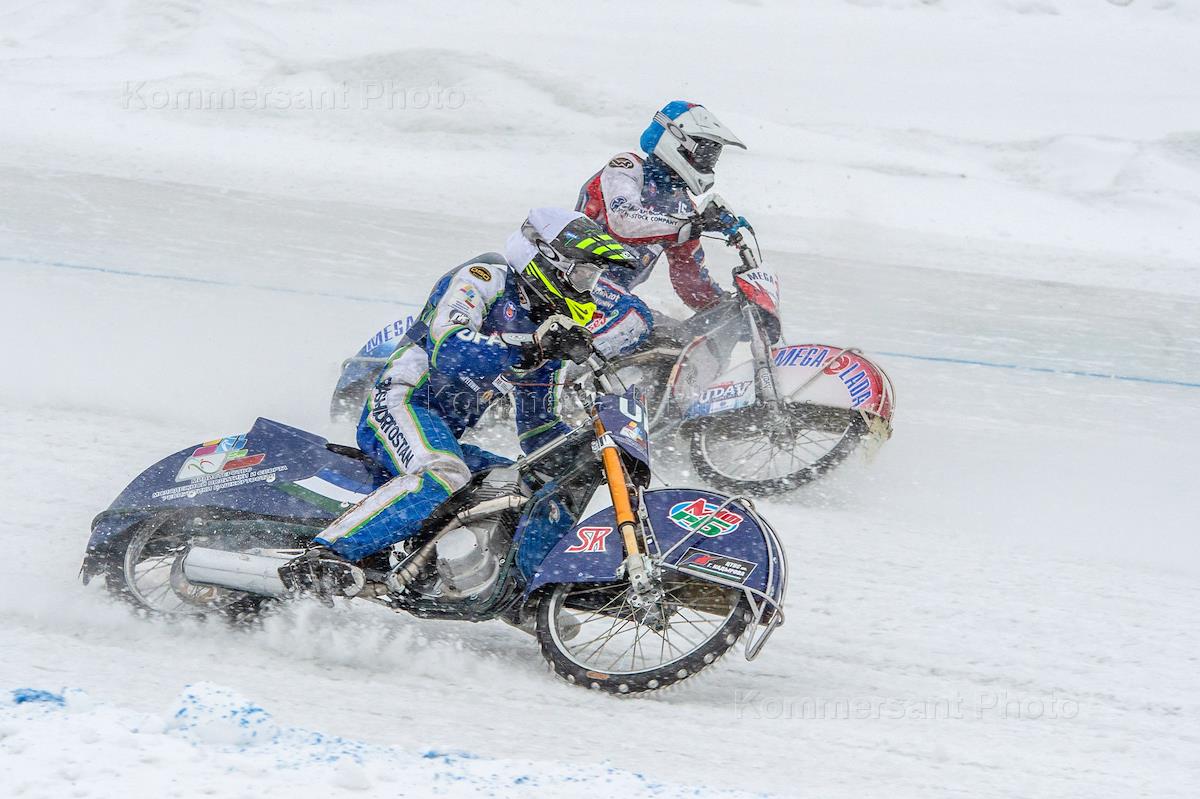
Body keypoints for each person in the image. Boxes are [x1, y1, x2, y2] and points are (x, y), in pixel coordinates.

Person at [279, 208, 635, 597]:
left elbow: (538, 427)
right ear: (547, 257)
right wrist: (528, 347)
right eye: (583, 274)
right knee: (444, 472)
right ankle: (325, 553)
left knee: (527, 490)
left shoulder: (546, 329)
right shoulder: (485, 277)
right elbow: (447, 346)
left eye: (592, 278)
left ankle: (523, 595)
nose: (587, 287)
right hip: (402, 402)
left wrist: (586, 450)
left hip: (444, 431)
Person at [576, 101, 747, 358]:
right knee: (637, 317)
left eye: (714, 156)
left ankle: (618, 382)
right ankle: (573, 370)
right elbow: (624, 221)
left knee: (679, 339)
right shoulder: (627, 167)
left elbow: (689, 277)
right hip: (573, 281)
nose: (709, 162)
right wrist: (694, 224)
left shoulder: (683, 206)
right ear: (677, 141)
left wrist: (728, 307)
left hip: (609, 299)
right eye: (705, 153)